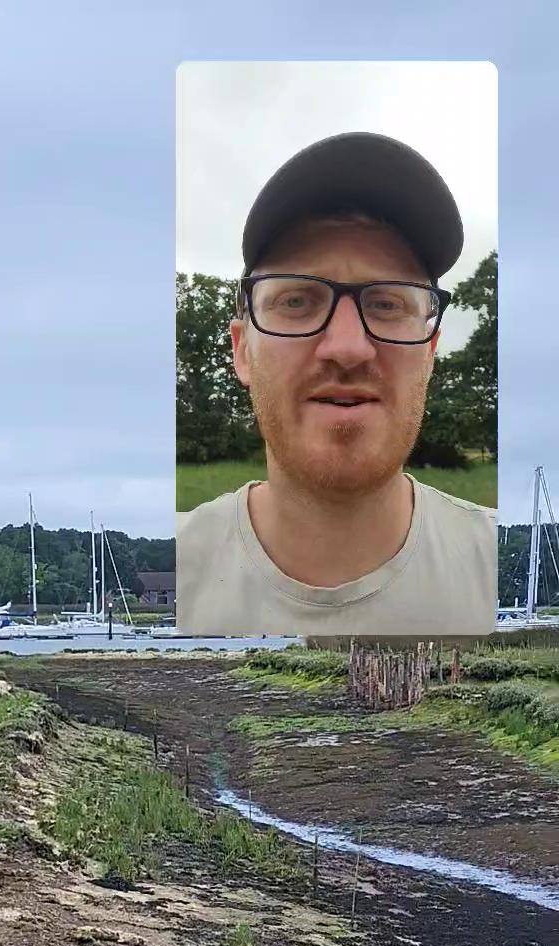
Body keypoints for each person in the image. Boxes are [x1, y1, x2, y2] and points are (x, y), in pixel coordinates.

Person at [176, 132, 496, 637]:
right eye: (298, 301)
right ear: (241, 350)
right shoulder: (174, 568)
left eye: (388, 303)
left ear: (430, 353)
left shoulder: (507, 571)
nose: (347, 347)